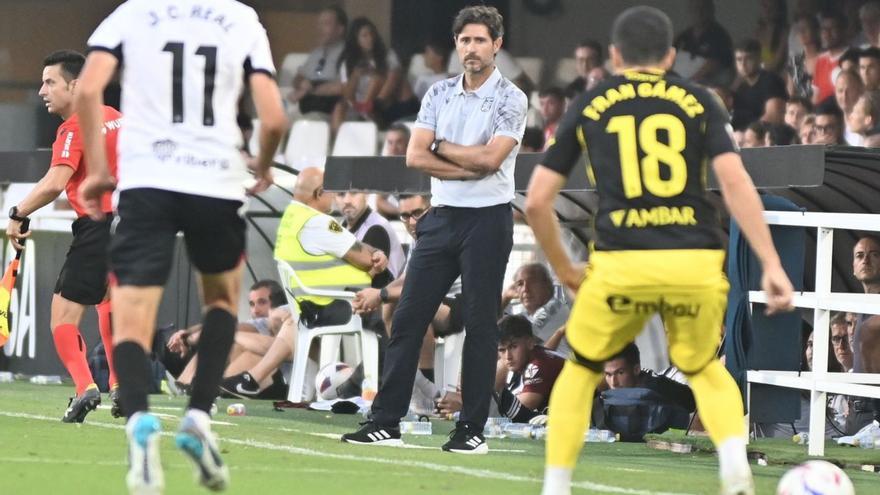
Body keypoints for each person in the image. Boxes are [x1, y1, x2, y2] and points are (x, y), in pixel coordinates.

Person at [524, 7, 794, 495]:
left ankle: (557, 486)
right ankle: (735, 470)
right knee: (704, 368)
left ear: (614, 55)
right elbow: (736, 183)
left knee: (583, 367)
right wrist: (771, 263)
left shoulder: (593, 101)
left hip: (621, 261)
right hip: (692, 257)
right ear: (672, 56)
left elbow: (540, 199)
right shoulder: (699, 100)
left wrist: (564, 267)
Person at [75, 1, 287, 492]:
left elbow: (88, 88)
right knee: (219, 303)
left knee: (131, 317)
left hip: (147, 182)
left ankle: (140, 426)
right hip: (215, 182)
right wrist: (265, 163)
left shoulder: (133, 14)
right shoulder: (240, 18)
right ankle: (197, 418)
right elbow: (272, 117)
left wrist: (103, 172)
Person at [342, 5, 527, 454]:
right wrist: (463, 163)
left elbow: (490, 160)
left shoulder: (511, 98)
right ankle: (386, 420)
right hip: (441, 216)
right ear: (456, 45)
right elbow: (414, 157)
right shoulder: (438, 93)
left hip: (488, 218)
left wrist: (444, 149)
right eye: (465, 40)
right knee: (406, 316)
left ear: (497, 45)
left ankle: (471, 429)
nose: (471, 48)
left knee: (482, 325)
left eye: (480, 40)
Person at [5, 50, 121, 423]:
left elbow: (54, 183)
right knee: (109, 304)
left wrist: (18, 212)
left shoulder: (74, 126)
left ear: (76, 85)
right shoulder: (117, 119)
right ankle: (121, 386)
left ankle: (86, 387)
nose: (42, 91)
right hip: (136, 225)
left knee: (62, 319)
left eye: (50, 82)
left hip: (99, 225)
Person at [220, 167, 389, 399]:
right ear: (319, 193)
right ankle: (361, 387)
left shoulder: (291, 218)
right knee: (391, 318)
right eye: (332, 192)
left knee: (292, 321)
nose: (336, 199)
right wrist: (374, 255)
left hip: (312, 303)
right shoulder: (318, 223)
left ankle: (254, 380)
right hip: (345, 303)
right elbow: (364, 258)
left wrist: (369, 254)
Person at [593, 343, 696, 441]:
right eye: (608, 375)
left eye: (620, 373)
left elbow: (691, 402)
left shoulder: (660, 387)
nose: (613, 382)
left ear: (636, 369)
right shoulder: (600, 394)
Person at [493, 314, 564, 423]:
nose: (508, 356)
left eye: (513, 347)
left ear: (530, 343)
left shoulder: (538, 364)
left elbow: (519, 410)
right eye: (502, 350)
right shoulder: (523, 361)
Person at [288, 5, 347, 116]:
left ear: (340, 29)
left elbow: (343, 87)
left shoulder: (348, 54)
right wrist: (301, 83)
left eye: (326, 24)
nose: (320, 29)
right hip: (307, 106)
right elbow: (298, 77)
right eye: (319, 24)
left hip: (330, 109)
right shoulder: (316, 53)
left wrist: (309, 90)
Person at [502, 263, 571, 355]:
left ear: (546, 285)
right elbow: (497, 328)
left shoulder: (552, 308)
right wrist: (506, 297)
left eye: (532, 282)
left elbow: (510, 340)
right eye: (520, 284)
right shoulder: (526, 314)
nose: (525, 289)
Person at [673, 0, 734, 86]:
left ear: (711, 10)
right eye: (695, 9)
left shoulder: (720, 36)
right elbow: (670, 57)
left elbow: (715, 64)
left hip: (702, 87)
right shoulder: (684, 36)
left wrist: (688, 83)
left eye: (703, 8)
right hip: (677, 83)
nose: (699, 12)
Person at [730, 38, 787, 131]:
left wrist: (748, 136)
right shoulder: (740, 87)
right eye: (739, 60)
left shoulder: (770, 80)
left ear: (759, 59)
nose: (743, 64)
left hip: (764, 136)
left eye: (748, 58)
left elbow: (773, 116)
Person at [813, 10, 850, 105]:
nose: (827, 34)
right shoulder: (820, 60)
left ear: (843, 31)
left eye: (832, 29)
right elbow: (816, 96)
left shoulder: (851, 57)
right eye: (824, 29)